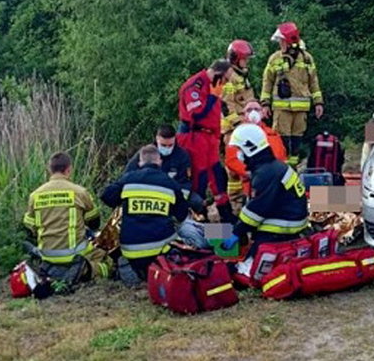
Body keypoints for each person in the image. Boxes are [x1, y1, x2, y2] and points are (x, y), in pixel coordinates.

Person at [221, 124, 309, 273]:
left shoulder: (265, 174)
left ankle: (245, 268)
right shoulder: (272, 167)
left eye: (240, 150)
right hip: (293, 219)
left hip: (283, 226)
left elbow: (257, 211)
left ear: (249, 147)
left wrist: (236, 232)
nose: (238, 154)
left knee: (250, 268)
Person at [101, 145, 190, 283]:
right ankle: (227, 235)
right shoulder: (170, 183)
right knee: (191, 228)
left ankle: (132, 268)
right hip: (161, 252)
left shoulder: (128, 179)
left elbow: (106, 196)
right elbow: (182, 216)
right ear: (159, 161)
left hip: (131, 251)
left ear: (140, 163)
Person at [23, 152, 112, 282]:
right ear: (69, 170)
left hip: (47, 255)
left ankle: (51, 270)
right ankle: (87, 271)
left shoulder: (35, 195)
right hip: (75, 253)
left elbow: (29, 226)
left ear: (50, 170)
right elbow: (94, 223)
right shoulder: (79, 192)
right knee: (106, 259)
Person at [177, 59, 236, 223]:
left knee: (218, 177)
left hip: (209, 138)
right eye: (225, 80)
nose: (224, 85)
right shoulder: (195, 86)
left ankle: (226, 221)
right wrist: (213, 97)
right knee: (199, 181)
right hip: (193, 138)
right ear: (218, 74)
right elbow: (196, 113)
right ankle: (198, 222)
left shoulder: (211, 87)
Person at [261, 22, 324, 166]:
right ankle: (281, 167)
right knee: (281, 141)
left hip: (301, 110)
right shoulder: (275, 58)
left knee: (296, 142)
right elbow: (267, 82)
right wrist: (265, 104)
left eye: (282, 41)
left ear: (290, 41)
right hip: (282, 109)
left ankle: (292, 169)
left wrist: (318, 102)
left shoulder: (307, 58)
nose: (280, 44)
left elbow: (313, 82)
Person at [224, 101, 287, 204]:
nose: (253, 112)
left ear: (262, 113)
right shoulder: (238, 135)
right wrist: (250, 173)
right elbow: (231, 160)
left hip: (276, 182)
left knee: (317, 189)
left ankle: (318, 215)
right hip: (253, 185)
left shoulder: (272, 134)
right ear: (244, 115)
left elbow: (282, 158)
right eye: (249, 110)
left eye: (256, 109)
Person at [221, 40, 257, 211]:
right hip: (233, 130)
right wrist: (240, 123)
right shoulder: (229, 78)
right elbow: (227, 105)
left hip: (244, 128)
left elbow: (247, 99)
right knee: (234, 170)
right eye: (245, 59)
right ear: (236, 58)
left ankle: (245, 204)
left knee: (246, 166)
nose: (247, 62)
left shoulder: (240, 75)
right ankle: (235, 206)